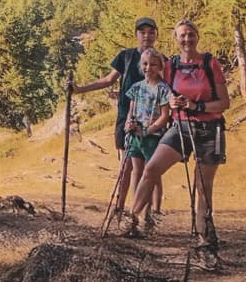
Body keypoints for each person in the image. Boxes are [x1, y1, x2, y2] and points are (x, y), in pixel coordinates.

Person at [127, 19, 230, 269]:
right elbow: (156, 85)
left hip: (209, 129)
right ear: (176, 38)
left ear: (197, 36)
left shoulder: (209, 63)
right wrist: (171, 105)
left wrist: (197, 106)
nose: (187, 40)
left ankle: (203, 240)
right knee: (151, 169)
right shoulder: (171, 65)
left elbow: (224, 103)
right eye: (182, 36)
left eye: (191, 35)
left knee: (202, 187)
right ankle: (132, 220)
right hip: (180, 127)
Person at [70, 16, 161, 221]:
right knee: (126, 165)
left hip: (152, 122)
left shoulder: (160, 59)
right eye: (142, 32)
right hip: (125, 118)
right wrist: (80, 89)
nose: (146, 35)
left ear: (156, 35)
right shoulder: (126, 56)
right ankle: (120, 211)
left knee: (149, 167)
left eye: (151, 32)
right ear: (136, 35)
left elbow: (167, 86)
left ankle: (145, 214)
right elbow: (109, 80)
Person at [120, 48, 171, 238]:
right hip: (135, 136)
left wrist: (149, 130)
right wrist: (128, 124)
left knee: (152, 174)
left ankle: (149, 214)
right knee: (136, 172)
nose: (149, 68)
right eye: (145, 64)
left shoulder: (163, 89)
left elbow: (165, 116)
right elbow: (131, 111)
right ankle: (135, 213)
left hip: (153, 136)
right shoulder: (136, 87)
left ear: (160, 67)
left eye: (153, 64)